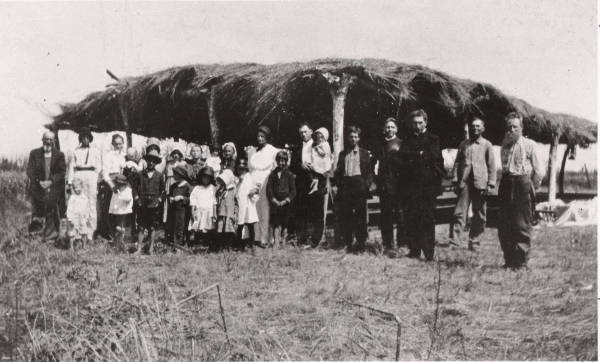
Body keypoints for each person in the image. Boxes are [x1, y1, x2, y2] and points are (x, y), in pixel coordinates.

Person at [498, 112, 544, 269]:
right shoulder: (504, 145)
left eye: (515, 127)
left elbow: (540, 171)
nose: (511, 130)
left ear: (521, 128)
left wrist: (531, 186)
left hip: (522, 183)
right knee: (504, 224)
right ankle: (509, 260)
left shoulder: (530, 145)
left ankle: (522, 262)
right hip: (506, 183)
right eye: (509, 127)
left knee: (521, 224)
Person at [399, 109, 444, 261]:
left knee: (427, 220)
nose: (417, 126)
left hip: (427, 188)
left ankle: (429, 253)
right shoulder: (407, 140)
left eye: (420, 123)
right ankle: (414, 251)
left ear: (426, 122)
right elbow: (402, 158)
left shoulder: (433, 139)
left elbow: (432, 157)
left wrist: (414, 156)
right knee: (411, 219)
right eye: (414, 123)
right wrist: (419, 154)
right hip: (410, 187)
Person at [450, 118, 496, 251]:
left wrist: (491, 183)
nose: (475, 128)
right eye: (473, 126)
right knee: (459, 213)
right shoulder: (464, 144)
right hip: (464, 184)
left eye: (478, 126)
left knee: (480, 214)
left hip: (480, 184)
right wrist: (455, 179)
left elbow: (492, 165)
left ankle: (475, 242)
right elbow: (457, 163)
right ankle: (454, 243)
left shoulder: (487, 145)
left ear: (483, 129)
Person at [333, 126, 375, 254]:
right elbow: (338, 172)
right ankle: (348, 243)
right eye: (351, 136)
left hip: (359, 185)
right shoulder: (342, 154)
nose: (353, 139)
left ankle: (361, 243)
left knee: (360, 216)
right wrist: (338, 185)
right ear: (347, 138)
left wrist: (366, 184)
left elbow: (369, 172)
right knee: (346, 215)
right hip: (346, 186)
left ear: (359, 138)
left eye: (355, 136)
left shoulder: (364, 153)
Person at [289, 123, 326, 247]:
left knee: (316, 212)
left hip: (316, 182)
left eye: (305, 132)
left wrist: (313, 166)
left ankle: (316, 240)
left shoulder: (318, 145)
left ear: (311, 131)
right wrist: (300, 165)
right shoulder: (297, 148)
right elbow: (292, 165)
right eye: (301, 133)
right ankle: (302, 239)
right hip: (302, 184)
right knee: (302, 211)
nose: (303, 135)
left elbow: (325, 163)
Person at [27, 131, 67, 241]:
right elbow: (30, 170)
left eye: (51, 139)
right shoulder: (35, 153)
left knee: (52, 210)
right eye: (46, 139)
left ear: (54, 141)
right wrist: (39, 181)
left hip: (53, 187)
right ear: (42, 140)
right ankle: (36, 234)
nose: (48, 142)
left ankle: (51, 235)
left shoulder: (59, 155)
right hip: (38, 186)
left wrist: (51, 181)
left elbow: (62, 172)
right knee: (37, 209)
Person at [375, 118, 406, 255]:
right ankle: (388, 245)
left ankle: (402, 243)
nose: (390, 129)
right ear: (384, 129)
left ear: (396, 129)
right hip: (384, 185)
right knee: (386, 216)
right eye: (387, 127)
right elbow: (374, 163)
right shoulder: (379, 144)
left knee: (400, 216)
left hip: (398, 184)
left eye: (392, 127)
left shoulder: (401, 144)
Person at [247, 126, 280, 247]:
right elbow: (250, 167)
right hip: (253, 179)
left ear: (267, 137)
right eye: (258, 136)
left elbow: (277, 165)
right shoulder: (253, 151)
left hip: (266, 180)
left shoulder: (272, 150)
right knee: (253, 207)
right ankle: (254, 237)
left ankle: (265, 238)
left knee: (264, 208)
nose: (260, 139)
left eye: (262, 137)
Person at [68, 127, 102, 240]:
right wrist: (70, 182)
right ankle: (78, 232)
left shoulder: (96, 151)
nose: (85, 140)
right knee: (78, 203)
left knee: (91, 204)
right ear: (80, 139)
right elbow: (71, 167)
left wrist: (96, 180)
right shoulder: (75, 151)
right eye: (83, 137)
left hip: (91, 175)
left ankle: (90, 232)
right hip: (79, 175)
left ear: (90, 139)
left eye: (87, 137)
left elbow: (99, 167)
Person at [135, 149, 165, 255]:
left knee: (152, 227)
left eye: (153, 161)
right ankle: (139, 249)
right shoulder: (140, 174)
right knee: (141, 226)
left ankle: (151, 248)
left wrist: (159, 200)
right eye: (149, 161)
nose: (151, 163)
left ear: (156, 163)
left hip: (153, 203)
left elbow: (162, 191)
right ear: (146, 161)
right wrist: (137, 198)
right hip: (142, 202)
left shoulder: (159, 175)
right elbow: (134, 188)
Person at [98, 134, 126, 240]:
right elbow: (105, 173)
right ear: (112, 144)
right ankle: (110, 233)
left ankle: (120, 235)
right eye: (116, 144)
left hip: (123, 183)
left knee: (121, 208)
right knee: (110, 208)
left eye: (120, 144)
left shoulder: (125, 155)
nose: (118, 146)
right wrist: (112, 186)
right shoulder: (109, 155)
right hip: (111, 183)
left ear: (123, 144)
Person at [266, 151, 296, 247]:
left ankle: (283, 241)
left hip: (285, 203)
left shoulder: (289, 174)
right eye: (278, 161)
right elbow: (269, 189)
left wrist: (286, 200)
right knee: (275, 222)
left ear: (286, 161)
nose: (280, 163)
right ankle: (276, 242)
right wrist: (273, 199)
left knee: (285, 222)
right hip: (275, 202)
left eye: (282, 161)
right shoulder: (272, 174)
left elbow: (293, 191)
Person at [166, 165, 193, 248]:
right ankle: (171, 243)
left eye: (175, 174)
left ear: (181, 175)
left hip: (183, 211)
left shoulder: (187, 186)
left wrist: (182, 198)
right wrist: (170, 198)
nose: (173, 175)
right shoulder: (173, 186)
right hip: (173, 210)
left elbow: (191, 200)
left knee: (180, 226)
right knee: (172, 225)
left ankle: (179, 244)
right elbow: (169, 195)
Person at [235, 158, 259, 250]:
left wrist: (254, 191)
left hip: (249, 203)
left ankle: (252, 243)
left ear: (246, 169)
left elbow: (256, 187)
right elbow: (235, 190)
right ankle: (239, 244)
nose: (241, 171)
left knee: (250, 224)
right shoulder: (236, 179)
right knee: (240, 224)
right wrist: (240, 181)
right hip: (241, 203)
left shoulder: (250, 177)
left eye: (242, 169)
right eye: (239, 169)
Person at [189, 166, 217, 245]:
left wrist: (215, 213)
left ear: (211, 179)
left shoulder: (213, 188)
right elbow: (193, 200)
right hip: (199, 210)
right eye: (204, 177)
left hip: (209, 211)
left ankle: (207, 243)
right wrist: (192, 211)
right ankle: (197, 243)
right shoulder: (197, 188)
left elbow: (215, 202)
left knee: (208, 228)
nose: (205, 179)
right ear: (201, 178)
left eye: (208, 178)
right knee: (198, 228)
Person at [163, 144, 187, 224]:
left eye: (178, 153)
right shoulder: (169, 164)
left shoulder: (183, 164)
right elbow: (165, 175)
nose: (176, 155)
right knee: (169, 198)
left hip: (178, 183)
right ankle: (168, 219)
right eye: (174, 153)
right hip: (170, 182)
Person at [109, 174, 133, 251]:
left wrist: (120, 194)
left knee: (123, 228)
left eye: (120, 184)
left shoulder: (128, 191)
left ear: (124, 184)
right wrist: (112, 210)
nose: (118, 186)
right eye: (117, 184)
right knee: (117, 228)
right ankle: (117, 243)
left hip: (125, 212)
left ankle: (123, 244)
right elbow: (113, 202)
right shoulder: (115, 192)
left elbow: (128, 199)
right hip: (117, 212)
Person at [215, 169, 238, 249]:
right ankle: (221, 246)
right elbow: (217, 199)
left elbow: (236, 203)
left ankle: (229, 246)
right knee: (220, 229)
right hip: (221, 213)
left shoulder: (233, 190)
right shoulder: (221, 190)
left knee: (229, 230)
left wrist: (235, 213)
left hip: (229, 213)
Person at [66, 178, 91, 250]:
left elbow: (87, 208)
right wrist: (70, 219)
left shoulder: (85, 198)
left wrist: (86, 217)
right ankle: (71, 247)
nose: (76, 189)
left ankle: (84, 246)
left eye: (77, 187)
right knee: (72, 232)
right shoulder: (72, 198)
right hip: (74, 217)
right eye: (74, 188)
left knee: (84, 231)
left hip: (82, 217)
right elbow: (69, 209)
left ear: (82, 187)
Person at [309, 127, 333, 194]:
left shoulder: (325, 144)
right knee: (314, 171)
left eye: (321, 137)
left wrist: (317, 149)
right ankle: (315, 186)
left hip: (324, 163)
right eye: (318, 137)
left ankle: (319, 186)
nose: (319, 139)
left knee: (319, 173)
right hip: (319, 162)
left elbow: (323, 153)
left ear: (325, 137)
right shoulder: (320, 144)